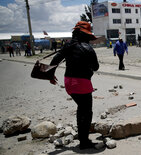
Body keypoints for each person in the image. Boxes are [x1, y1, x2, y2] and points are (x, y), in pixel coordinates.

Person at [49, 21, 99, 150]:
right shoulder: (87, 48)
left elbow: (56, 59)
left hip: (68, 82)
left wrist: (51, 75)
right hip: (81, 83)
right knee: (86, 112)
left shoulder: (68, 46)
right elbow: (96, 67)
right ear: (85, 35)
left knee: (81, 109)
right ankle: (84, 142)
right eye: (88, 36)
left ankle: (82, 137)